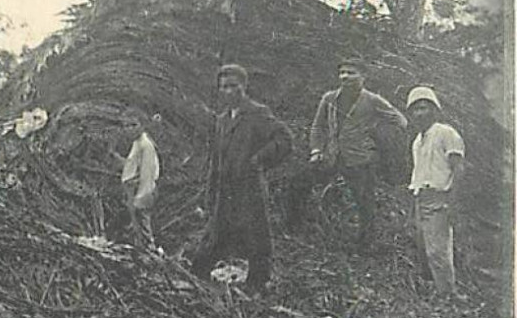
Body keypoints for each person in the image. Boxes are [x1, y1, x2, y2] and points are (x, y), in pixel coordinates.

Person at [192, 63, 293, 294]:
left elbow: (284, 139)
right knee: (214, 236)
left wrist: (259, 160)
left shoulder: (257, 113)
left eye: (233, 86)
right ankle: (198, 280)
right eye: (223, 87)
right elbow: (216, 161)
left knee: (256, 237)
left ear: (243, 87)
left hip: (249, 188)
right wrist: (209, 193)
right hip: (224, 190)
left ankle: (259, 285)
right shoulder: (222, 120)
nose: (228, 92)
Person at [286, 57, 407, 249]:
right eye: (342, 73)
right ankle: (294, 228)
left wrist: (374, 135)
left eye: (351, 73)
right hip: (331, 156)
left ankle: (364, 245)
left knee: (364, 202)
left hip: (360, 159)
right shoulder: (329, 98)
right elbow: (318, 127)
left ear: (363, 76)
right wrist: (316, 150)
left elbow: (400, 121)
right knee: (298, 183)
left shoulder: (373, 100)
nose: (345, 77)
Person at [406, 85, 465, 297]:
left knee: (438, 251)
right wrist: (414, 206)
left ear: (434, 110)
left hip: (440, 198)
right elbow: (420, 174)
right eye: (415, 109)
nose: (419, 113)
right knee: (423, 248)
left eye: (424, 107)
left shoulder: (446, 133)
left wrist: (453, 202)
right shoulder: (417, 141)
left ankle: (448, 296)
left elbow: (458, 168)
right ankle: (434, 293)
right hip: (421, 197)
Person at [114, 113, 161, 250]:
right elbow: (132, 164)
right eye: (126, 126)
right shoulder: (137, 143)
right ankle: (141, 248)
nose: (129, 129)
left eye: (133, 125)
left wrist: (140, 196)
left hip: (141, 189)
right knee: (135, 224)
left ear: (141, 126)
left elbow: (148, 172)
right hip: (132, 187)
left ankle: (149, 250)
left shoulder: (146, 145)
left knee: (142, 222)